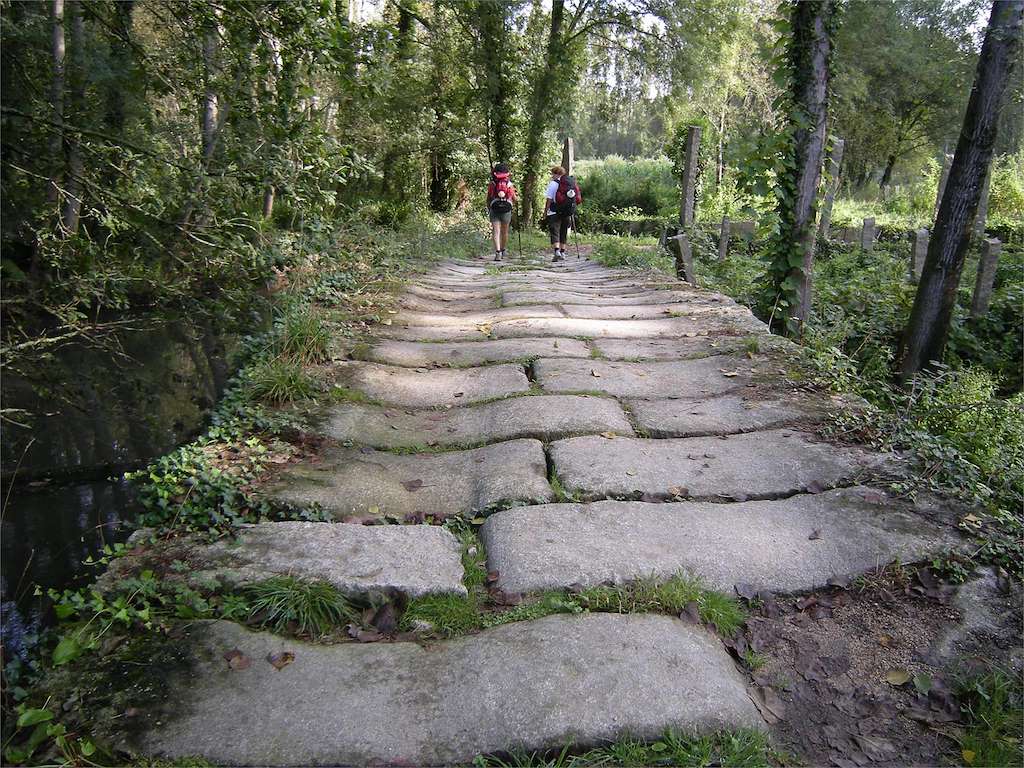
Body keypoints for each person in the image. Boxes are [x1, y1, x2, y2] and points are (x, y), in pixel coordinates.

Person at [543, 165, 581, 262]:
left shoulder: (553, 184)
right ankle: (563, 252)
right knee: (564, 231)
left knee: (554, 230)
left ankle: (557, 251)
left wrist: (545, 211)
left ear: (556, 174)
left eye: (552, 174)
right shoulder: (570, 183)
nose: (552, 176)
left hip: (554, 210)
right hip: (567, 211)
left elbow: (549, 199)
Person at [486, 163, 517, 260]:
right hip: (506, 209)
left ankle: (497, 252)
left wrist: (489, 207)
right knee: (505, 232)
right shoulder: (509, 184)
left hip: (494, 208)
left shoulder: (492, 184)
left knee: (496, 231)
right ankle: (503, 250)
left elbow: (489, 197)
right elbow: (514, 198)